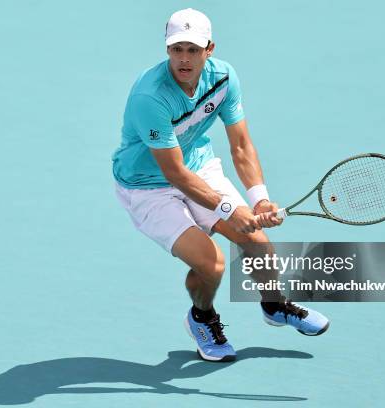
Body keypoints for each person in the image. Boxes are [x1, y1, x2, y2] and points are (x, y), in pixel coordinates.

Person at [112, 8, 329, 362]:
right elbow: (175, 175)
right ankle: (202, 317)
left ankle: (274, 306)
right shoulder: (149, 97)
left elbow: (241, 145)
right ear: (166, 49)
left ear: (209, 49)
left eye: (193, 50)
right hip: (146, 186)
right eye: (176, 49)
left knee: (257, 243)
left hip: (198, 165)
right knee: (211, 265)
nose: (184, 59)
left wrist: (258, 200)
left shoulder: (224, 78)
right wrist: (229, 208)